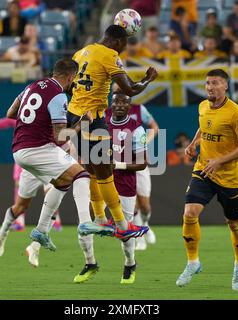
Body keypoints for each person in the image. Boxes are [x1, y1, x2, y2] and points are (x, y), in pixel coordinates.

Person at [0, 59, 115, 270]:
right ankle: (86, 222)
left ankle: (40, 231)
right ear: (70, 77)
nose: (74, 83)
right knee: (82, 175)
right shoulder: (58, 96)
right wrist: (80, 125)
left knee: (62, 183)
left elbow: (10, 113)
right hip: (38, 149)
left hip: (19, 150)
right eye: (74, 79)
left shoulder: (31, 86)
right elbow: (60, 138)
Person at [67, 25, 157, 279]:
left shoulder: (81, 52)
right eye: (124, 43)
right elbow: (129, 89)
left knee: (92, 169)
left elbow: (69, 86)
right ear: (116, 40)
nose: (124, 48)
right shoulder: (109, 55)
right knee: (103, 170)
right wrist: (149, 78)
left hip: (76, 115)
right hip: (93, 118)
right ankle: (119, 223)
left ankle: (99, 219)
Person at [176, 69, 238, 290]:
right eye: (208, 83)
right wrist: (193, 144)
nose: (210, 87)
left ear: (225, 86)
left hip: (230, 178)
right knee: (190, 213)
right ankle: (193, 262)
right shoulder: (202, 107)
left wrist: (220, 161)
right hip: (204, 170)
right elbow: (204, 126)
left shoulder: (236, 113)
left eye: (215, 83)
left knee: (233, 222)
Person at [110, 82, 159, 251]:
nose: (117, 91)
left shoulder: (139, 110)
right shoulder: (106, 113)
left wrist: (145, 142)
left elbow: (154, 127)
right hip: (118, 166)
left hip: (137, 161)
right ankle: (138, 237)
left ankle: (145, 225)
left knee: (145, 205)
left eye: (120, 89)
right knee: (132, 204)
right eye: (114, 90)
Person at [105, 93, 147, 284]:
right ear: (111, 103)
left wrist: (118, 165)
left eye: (124, 102)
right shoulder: (102, 120)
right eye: (117, 101)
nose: (120, 105)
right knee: (89, 217)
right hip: (103, 180)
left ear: (130, 106)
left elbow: (142, 163)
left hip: (125, 184)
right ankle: (90, 262)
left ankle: (130, 263)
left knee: (124, 231)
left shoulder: (136, 129)